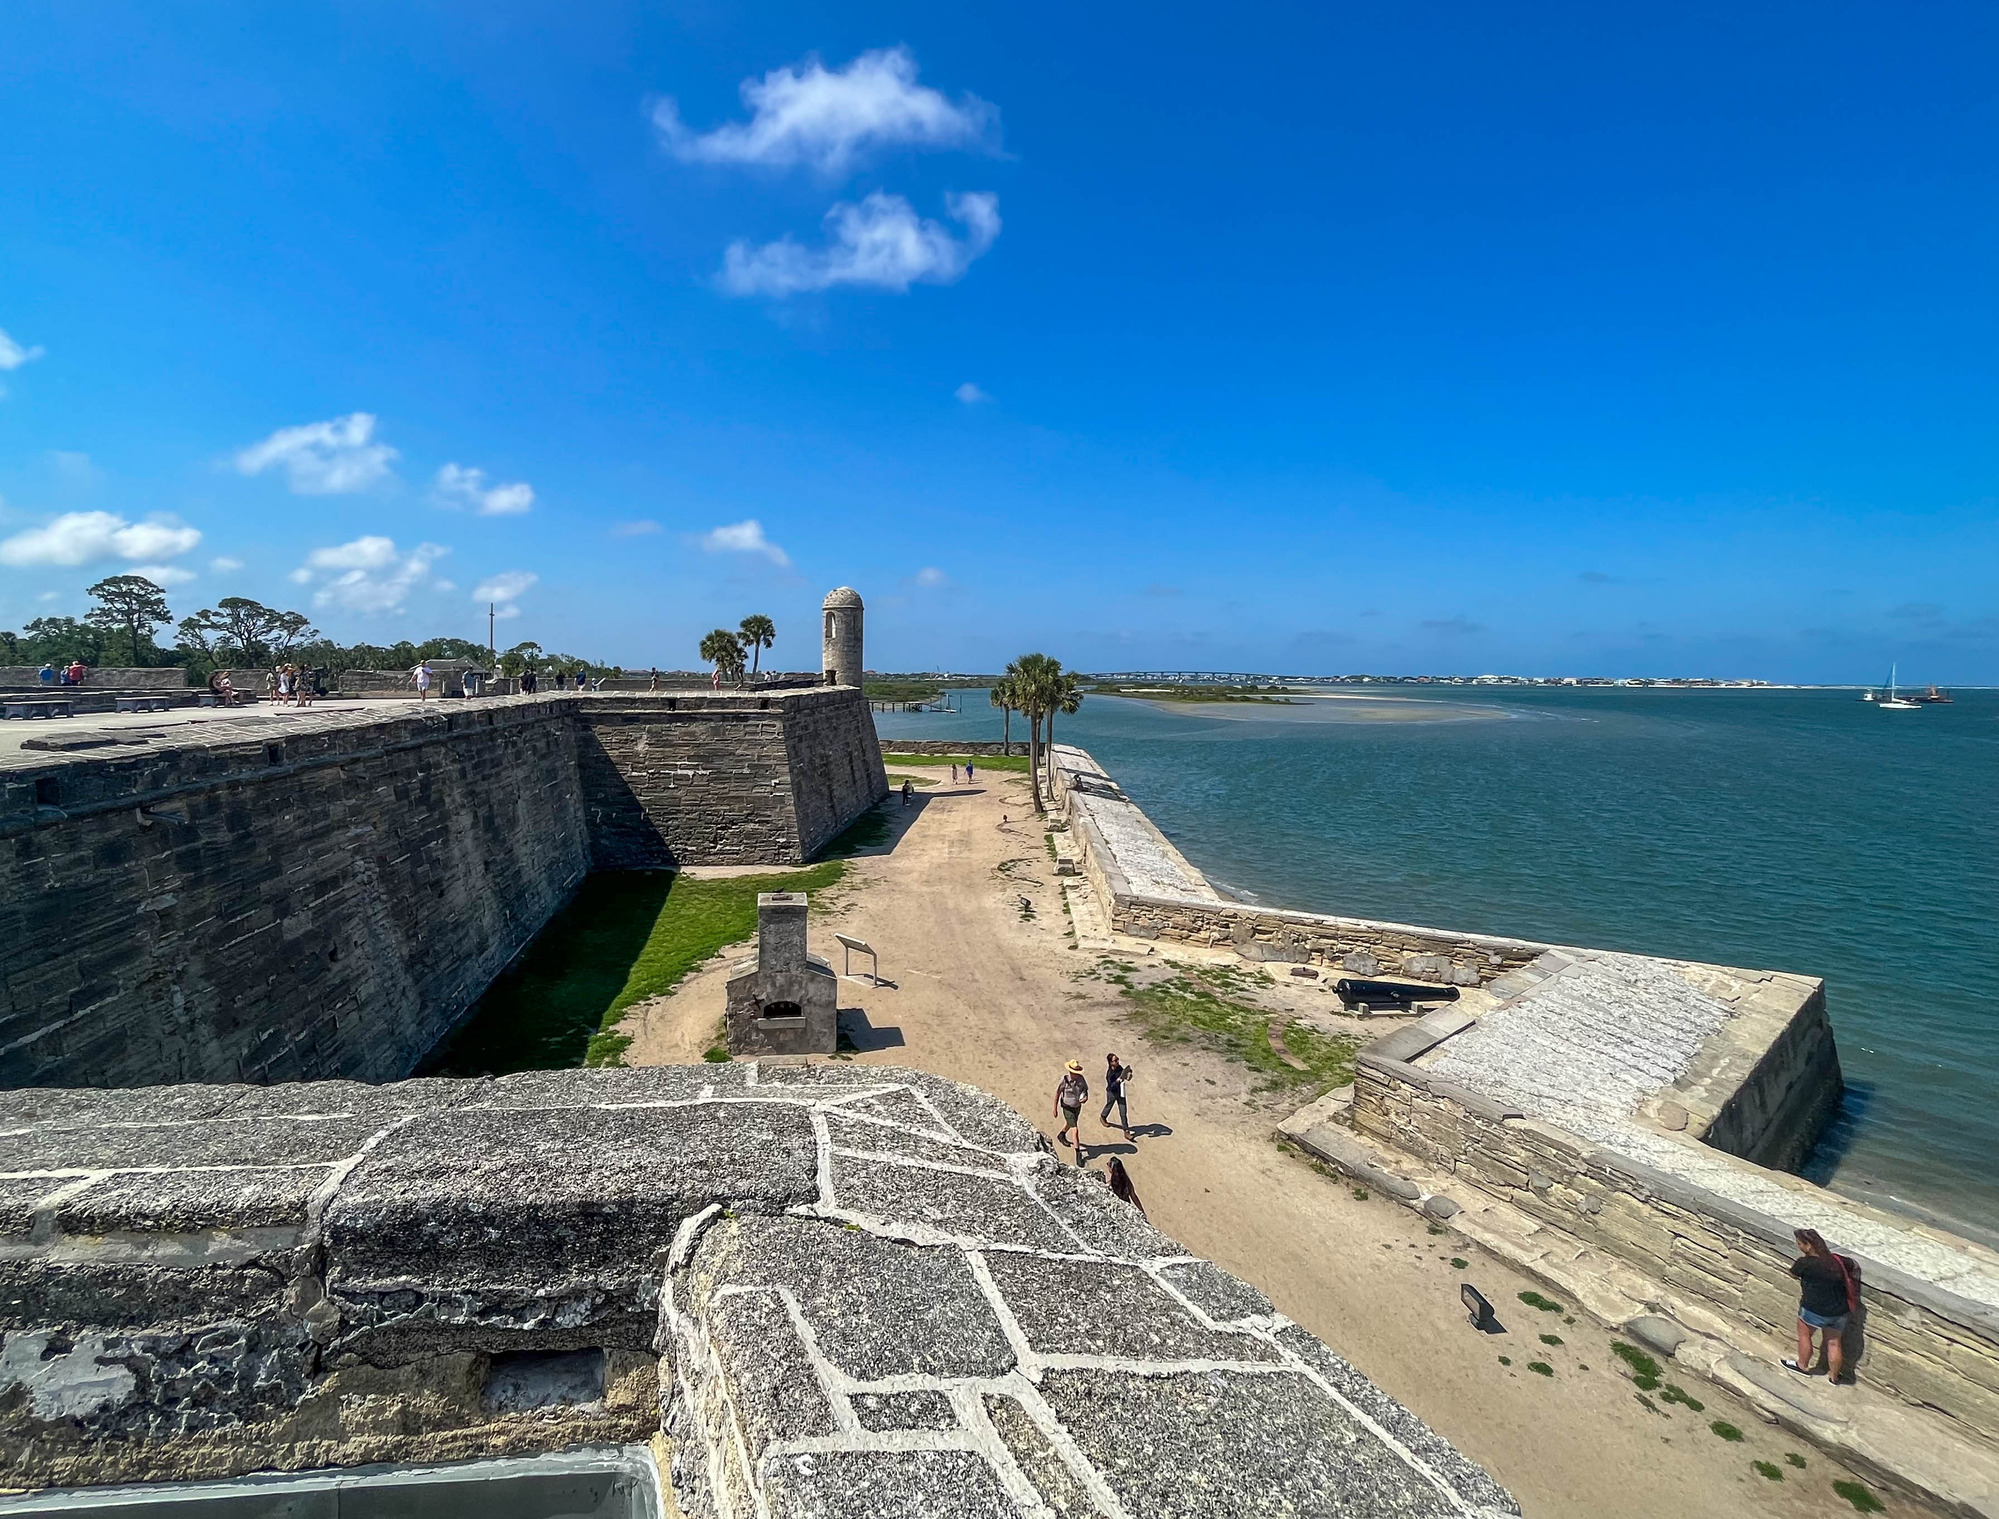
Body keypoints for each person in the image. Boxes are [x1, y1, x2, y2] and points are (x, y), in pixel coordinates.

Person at [1785, 1227, 1858, 1382]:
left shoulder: (1805, 1263)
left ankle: (1802, 1366)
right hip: (1839, 1311)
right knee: (1834, 1343)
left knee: (1805, 1336)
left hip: (1813, 1309)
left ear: (1808, 1246)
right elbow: (1853, 1266)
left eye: (1800, 1243)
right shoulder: (1837, 1261)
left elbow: (1792, 1273)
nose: (1798, 1246)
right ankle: (1834, 1376)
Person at [1054, 1059, 1089, 1159]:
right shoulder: (1064, 1080)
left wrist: (1086, 1097)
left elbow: (1085, 1090)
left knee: (1070, 1123)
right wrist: (1055, 1108)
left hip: (1077, 1107)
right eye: (1074, 1073)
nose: (1076, 1075)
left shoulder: (1081, 1079)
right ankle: (1078, 1153)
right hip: (1067, 1107)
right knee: (1075, 1129)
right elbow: (1057, 1093)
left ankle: (1061, 1134)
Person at [1101, 1054, 1134, 1139]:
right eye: (1115, 1060)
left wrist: (1128, 1074)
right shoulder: (1110, 1074)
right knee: (1109, 1106)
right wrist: (1117, 1081)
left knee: (1123, 1112)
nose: (1118, 1061)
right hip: (1112, 1093)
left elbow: (1125, 1073)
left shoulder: (1119, 1068)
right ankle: (1103, 1116)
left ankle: (1126, 1131)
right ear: (1111, 1062)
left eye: (1117, 1059)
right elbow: (1111, 1086)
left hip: (1121, 1093)